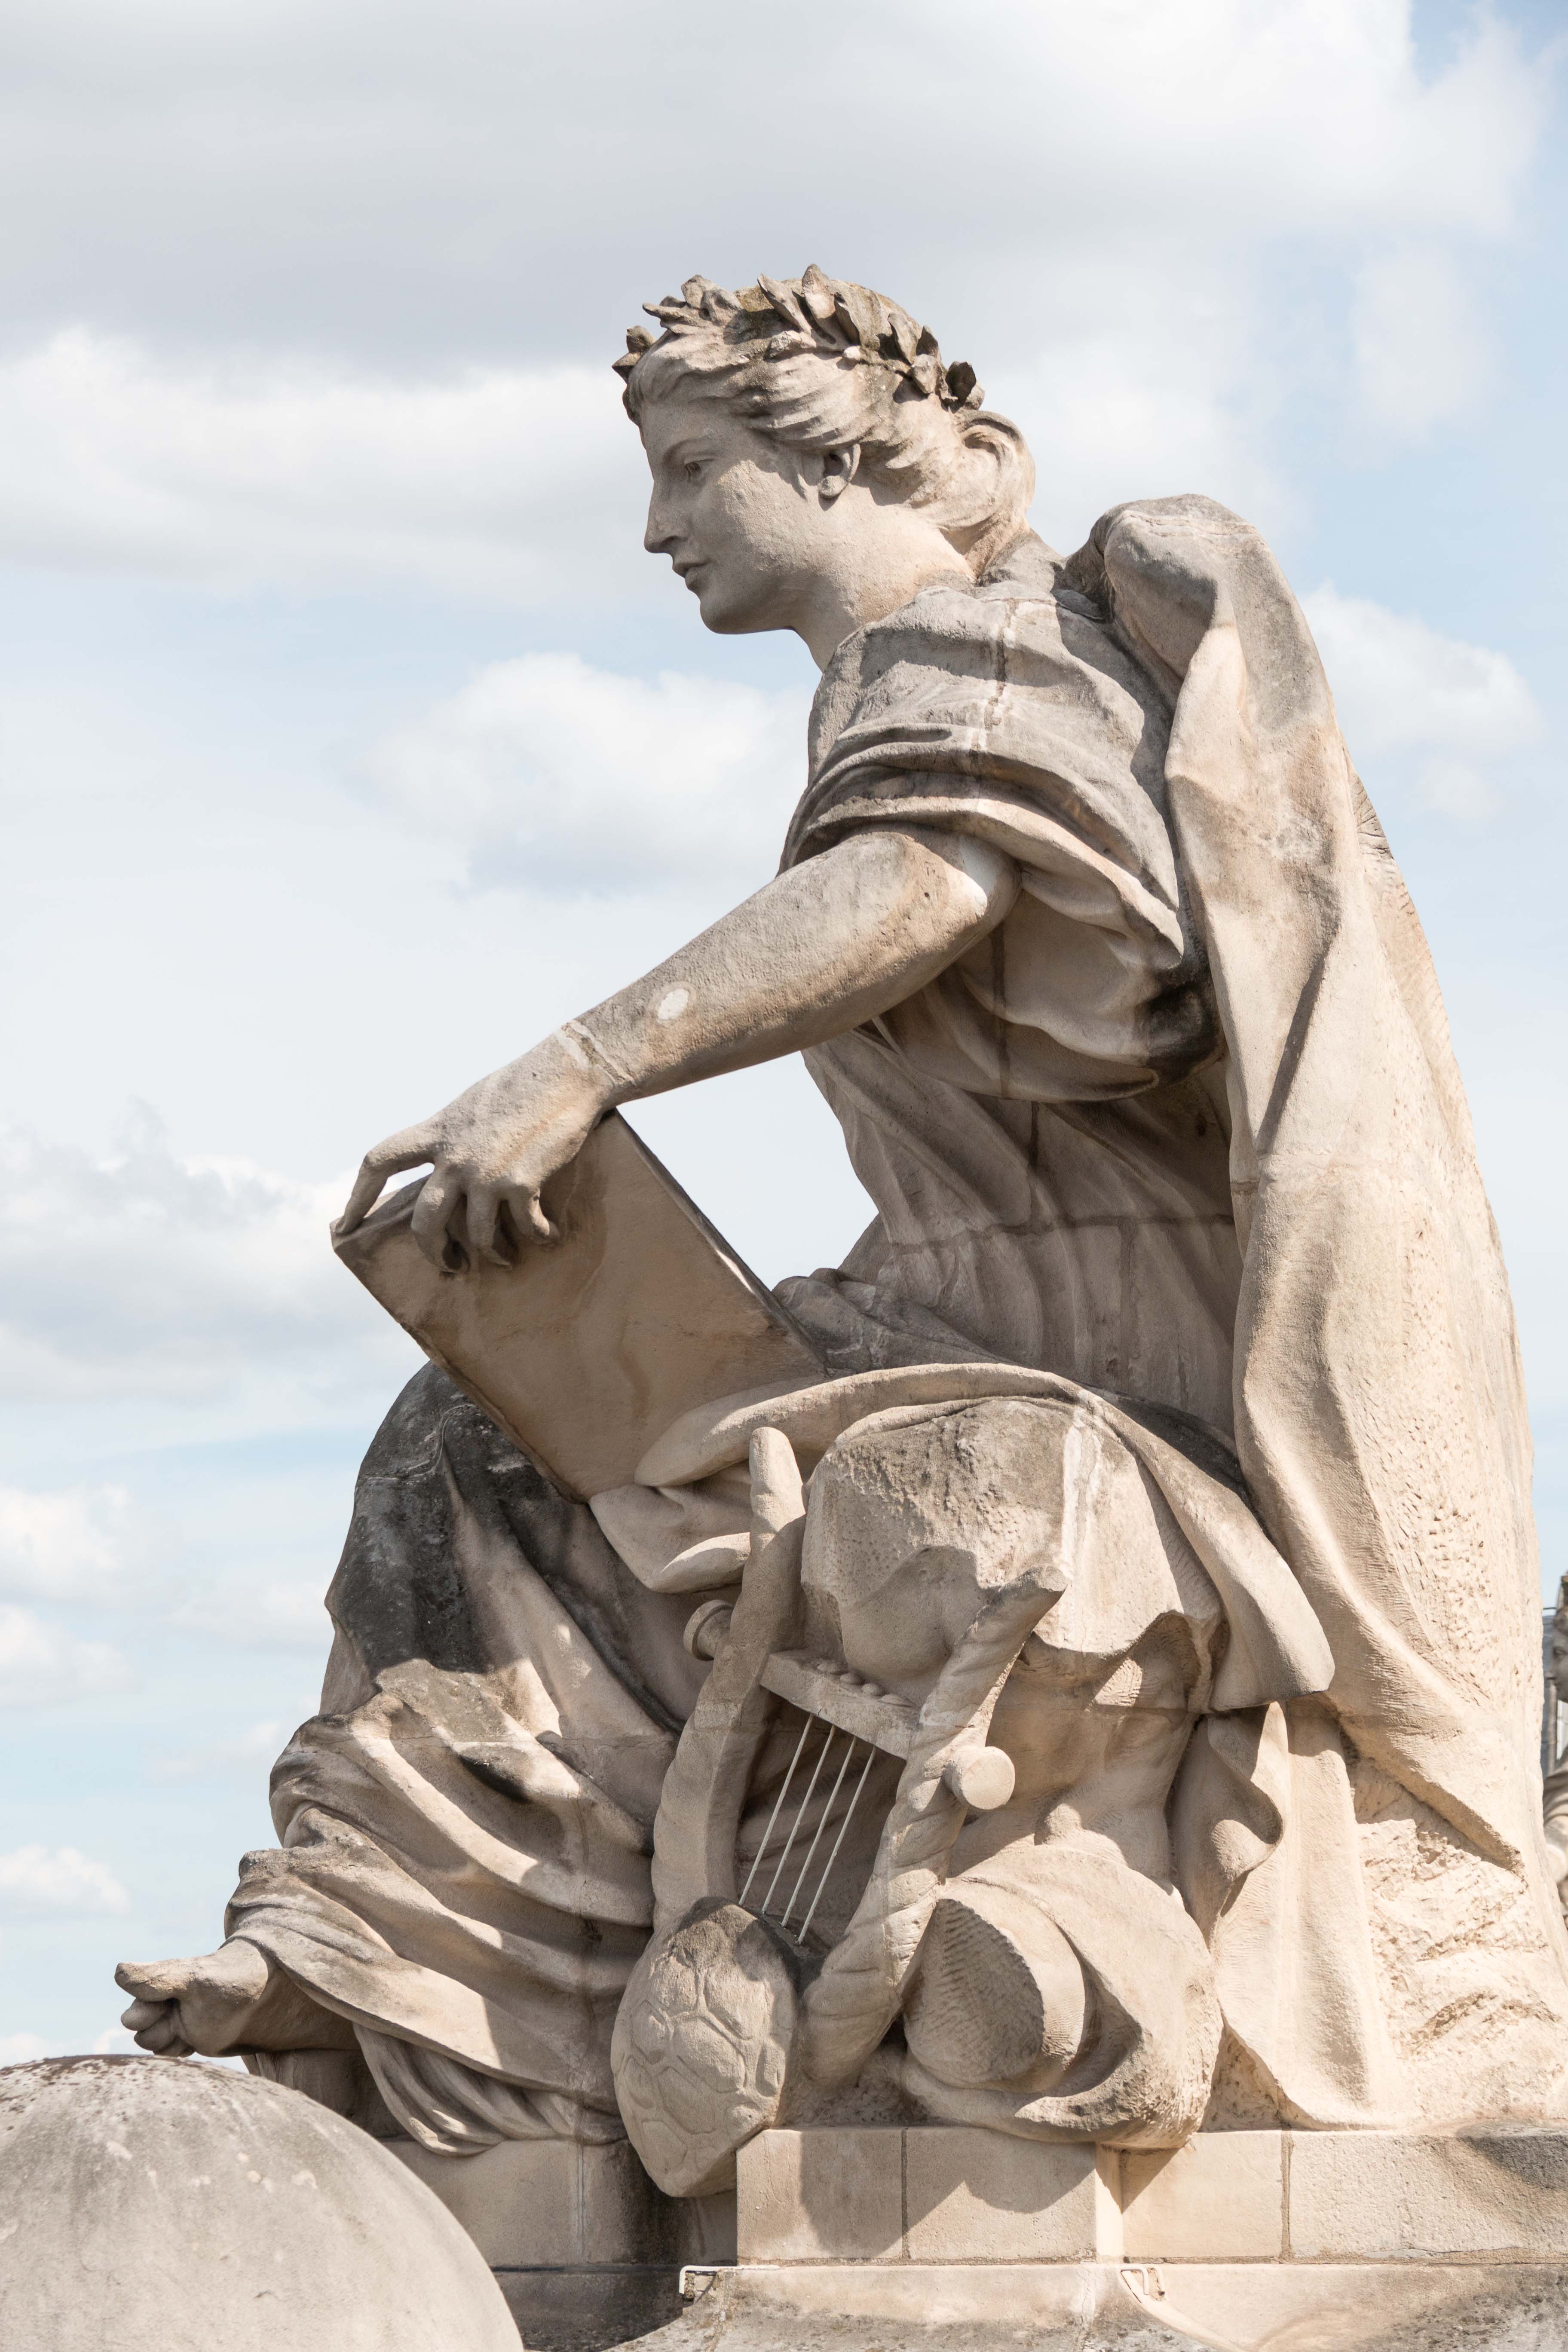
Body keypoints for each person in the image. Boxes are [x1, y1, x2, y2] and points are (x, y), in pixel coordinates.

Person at [118, 269, 1568, 2152]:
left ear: (841, 457)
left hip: (1144, 1371)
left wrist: (584, 1062)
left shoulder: (1002, 643)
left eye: (693, 468)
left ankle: (675, 1979)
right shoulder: (887, 697)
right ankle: (377, 1943)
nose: (658, 527)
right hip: (940, 1312)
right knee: (471, 1445)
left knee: (759, 1496)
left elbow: (929, 884)